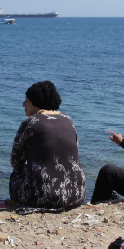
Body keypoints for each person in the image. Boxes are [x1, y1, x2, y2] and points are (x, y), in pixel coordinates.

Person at [10, 81, 86, 212]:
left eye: (26, 100)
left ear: (35, 102)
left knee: (15, 175)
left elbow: (16, 162)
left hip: (44, 197)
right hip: (76, 194)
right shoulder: (68, 119)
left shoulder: (30, 123)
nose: (23, 104)